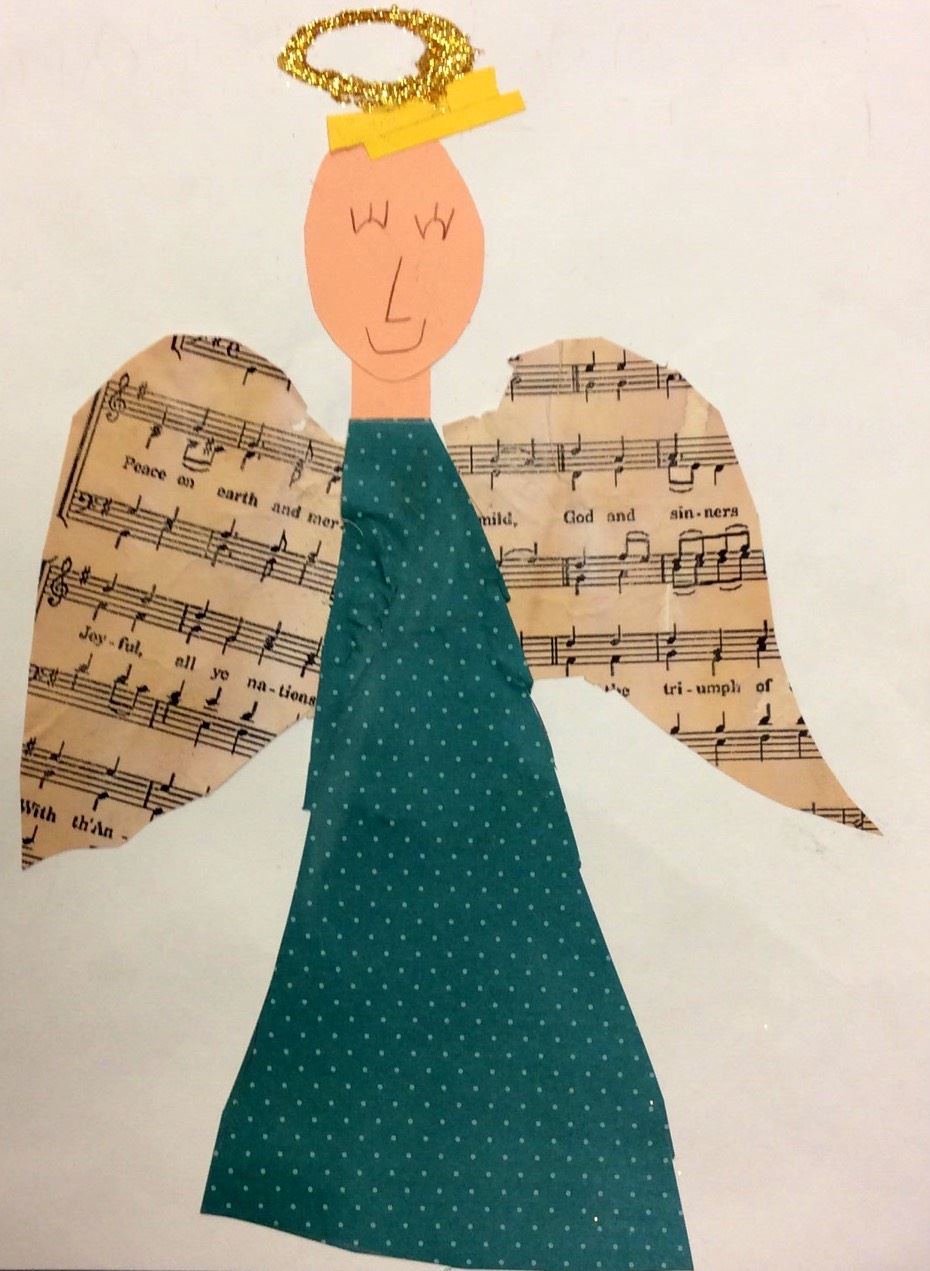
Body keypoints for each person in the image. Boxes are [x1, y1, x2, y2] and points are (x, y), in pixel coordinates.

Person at [200, 29, 693, 1268]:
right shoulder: (345, 477)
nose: (397, 285)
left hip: (484, 789)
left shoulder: (472, 468)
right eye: (362, 238)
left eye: (432, 237)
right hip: (396, 787)